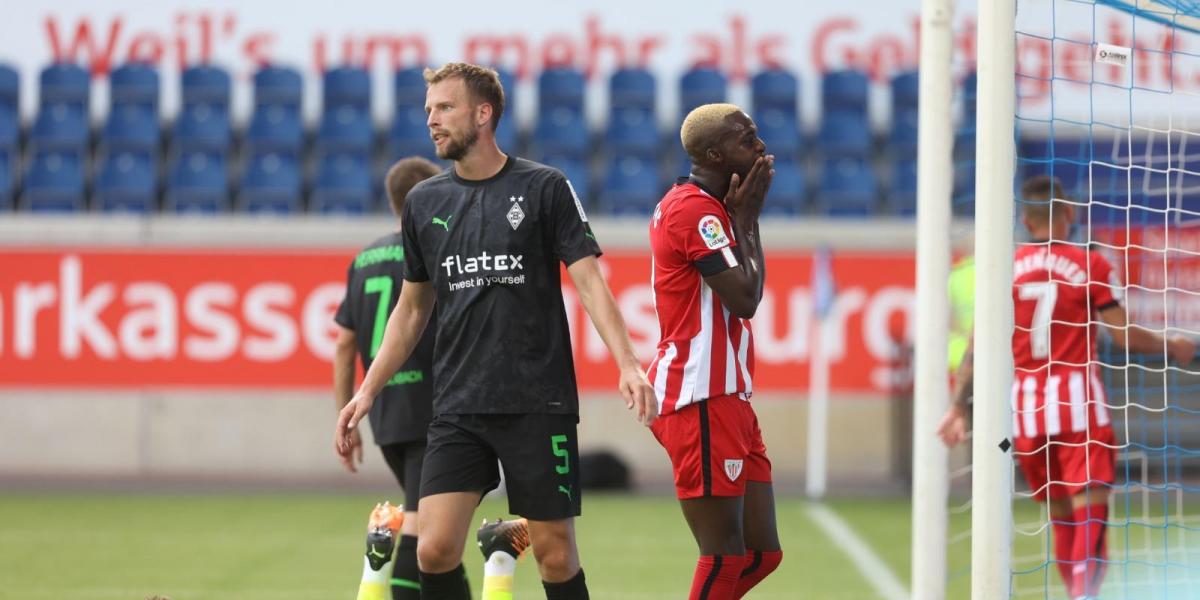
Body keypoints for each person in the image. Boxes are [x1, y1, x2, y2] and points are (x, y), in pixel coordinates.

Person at [335, 62, 656, 600]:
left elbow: (590, 284)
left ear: (483, 114)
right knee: (434, 549)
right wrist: (367, 391)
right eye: (428, 110)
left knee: (554, 553)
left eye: (445, 108)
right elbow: (411, 311)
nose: (432, 121)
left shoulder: (544, 187)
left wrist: (628, 362)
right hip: (457, 404)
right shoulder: (424, 203)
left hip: (537, 402)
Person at [937, 175, 1196, 600]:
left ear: (1025, 218)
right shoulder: (1090, 264)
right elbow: (1125, 336)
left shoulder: (1005, 268)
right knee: (1090, 520)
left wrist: (958, 408)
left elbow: (977, 347)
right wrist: (1173, 345)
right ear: (1070, 214)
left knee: (1061, 519)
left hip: (1026, 414)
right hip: (1080, 410)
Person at [646, 103, 782, 600]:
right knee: (724, 554)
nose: (760, 146)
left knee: (762, 554)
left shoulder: (709, 206)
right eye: (747, 139)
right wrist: (747, 219)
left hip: (729, 396)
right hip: (699, 393)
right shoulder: (694, 211)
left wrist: (742, 217)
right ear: (714, 154)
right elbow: (744, 298)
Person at [333, 156, 441, 600]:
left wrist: (349, 412)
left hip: (386, 413)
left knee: (439, 533)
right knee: (421, 531)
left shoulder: (363, 259)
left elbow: (343, 345)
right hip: (433, 403)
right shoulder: (435, 250)